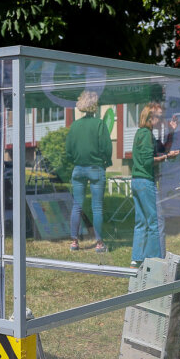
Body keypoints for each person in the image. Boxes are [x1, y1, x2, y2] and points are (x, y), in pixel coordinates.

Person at [131, 105, 178, 268]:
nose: (162, 120)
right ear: (150, 118)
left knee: (142, 221)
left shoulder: (142, 133)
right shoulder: (146, 134)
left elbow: (161, 150)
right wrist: (166, 157)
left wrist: (171, 133)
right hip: (145, 181)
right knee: (156, 222)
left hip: (137, 181)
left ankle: (137, 259)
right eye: (159, 116)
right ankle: (156, 260)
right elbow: (148, 161)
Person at [66, 90, 112, 252]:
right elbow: (106, 147)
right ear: (95, 105)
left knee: (77, 206)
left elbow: (68, 150)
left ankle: (74, 242)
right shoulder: (99, 124)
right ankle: (99, 244)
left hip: (78, 168)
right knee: (97, 207)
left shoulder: (74, 125)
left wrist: (75, 161)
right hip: (96, 168)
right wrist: (107, 161)